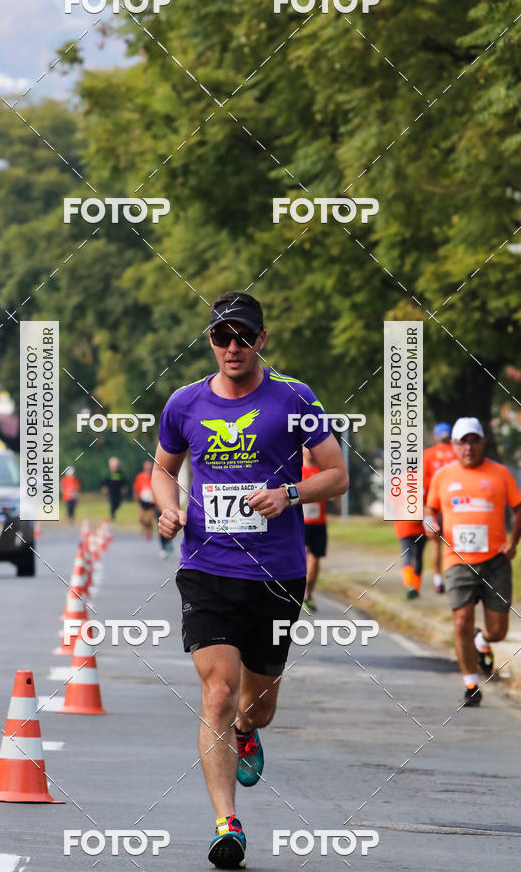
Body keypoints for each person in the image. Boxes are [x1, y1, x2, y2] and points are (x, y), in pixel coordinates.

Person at [152, 292, 348, 869]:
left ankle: (247, 727)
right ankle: (227, 824)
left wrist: (290, 493)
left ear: (262, 339)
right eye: (222, 337)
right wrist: (168, 507)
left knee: (256, 706)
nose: (232, 347)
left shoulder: (295, 398)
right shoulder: (185, 403)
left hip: (277, 574)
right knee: (216, 692)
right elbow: (163, 468)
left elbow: (336, 474)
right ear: (210, 341)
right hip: (207, 568)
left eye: (243, 337)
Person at [426, 417, 521, 707]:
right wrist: (430, 524)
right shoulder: (443, 476)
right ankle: (471, 685)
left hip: (495, 560)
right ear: (453, 445)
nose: (468, 447)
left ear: (483, 442)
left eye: (474, 440)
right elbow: (430, 510)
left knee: (499, 631)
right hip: (457, 560)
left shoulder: (500, 473)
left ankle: (482, 641)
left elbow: (518, 508)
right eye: (462, 442)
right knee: (461, 621)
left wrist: (513, 542)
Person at [423, 422, 456, 593]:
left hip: (433, 508)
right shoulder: (457, 453)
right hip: (454, 508)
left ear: (436, 437)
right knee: (454, 544)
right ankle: (454, 578)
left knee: (435, 543)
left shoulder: (427, 455)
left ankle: (437, 579)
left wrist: (424, 510)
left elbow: (421, 485)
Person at [301, 446, 328, 613]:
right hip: (302, 523)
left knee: (315, 561)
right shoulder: (297, 470)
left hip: (319, 523)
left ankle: (309, 594)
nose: (310, 451)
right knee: (304, 557)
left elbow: (334, 491)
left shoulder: (322, 471)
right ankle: (302, 594)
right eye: (306, 447)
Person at [393, 520, 426, 600]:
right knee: (418, 557)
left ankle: (409, 586)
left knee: (407, 556)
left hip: (404, 527)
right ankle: (416, 588)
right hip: (420, 528)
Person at [134, 460, 156, 540]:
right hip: (143, 500)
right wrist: (136, 497)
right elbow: (136, 488)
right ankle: (147, 529)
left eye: (149, 468)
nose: (148, 469)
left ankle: (149, 532)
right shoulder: (140, 476)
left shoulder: (154, 476)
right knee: (140, 518)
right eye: (146, 468)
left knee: (150, 519)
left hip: (152, 501)